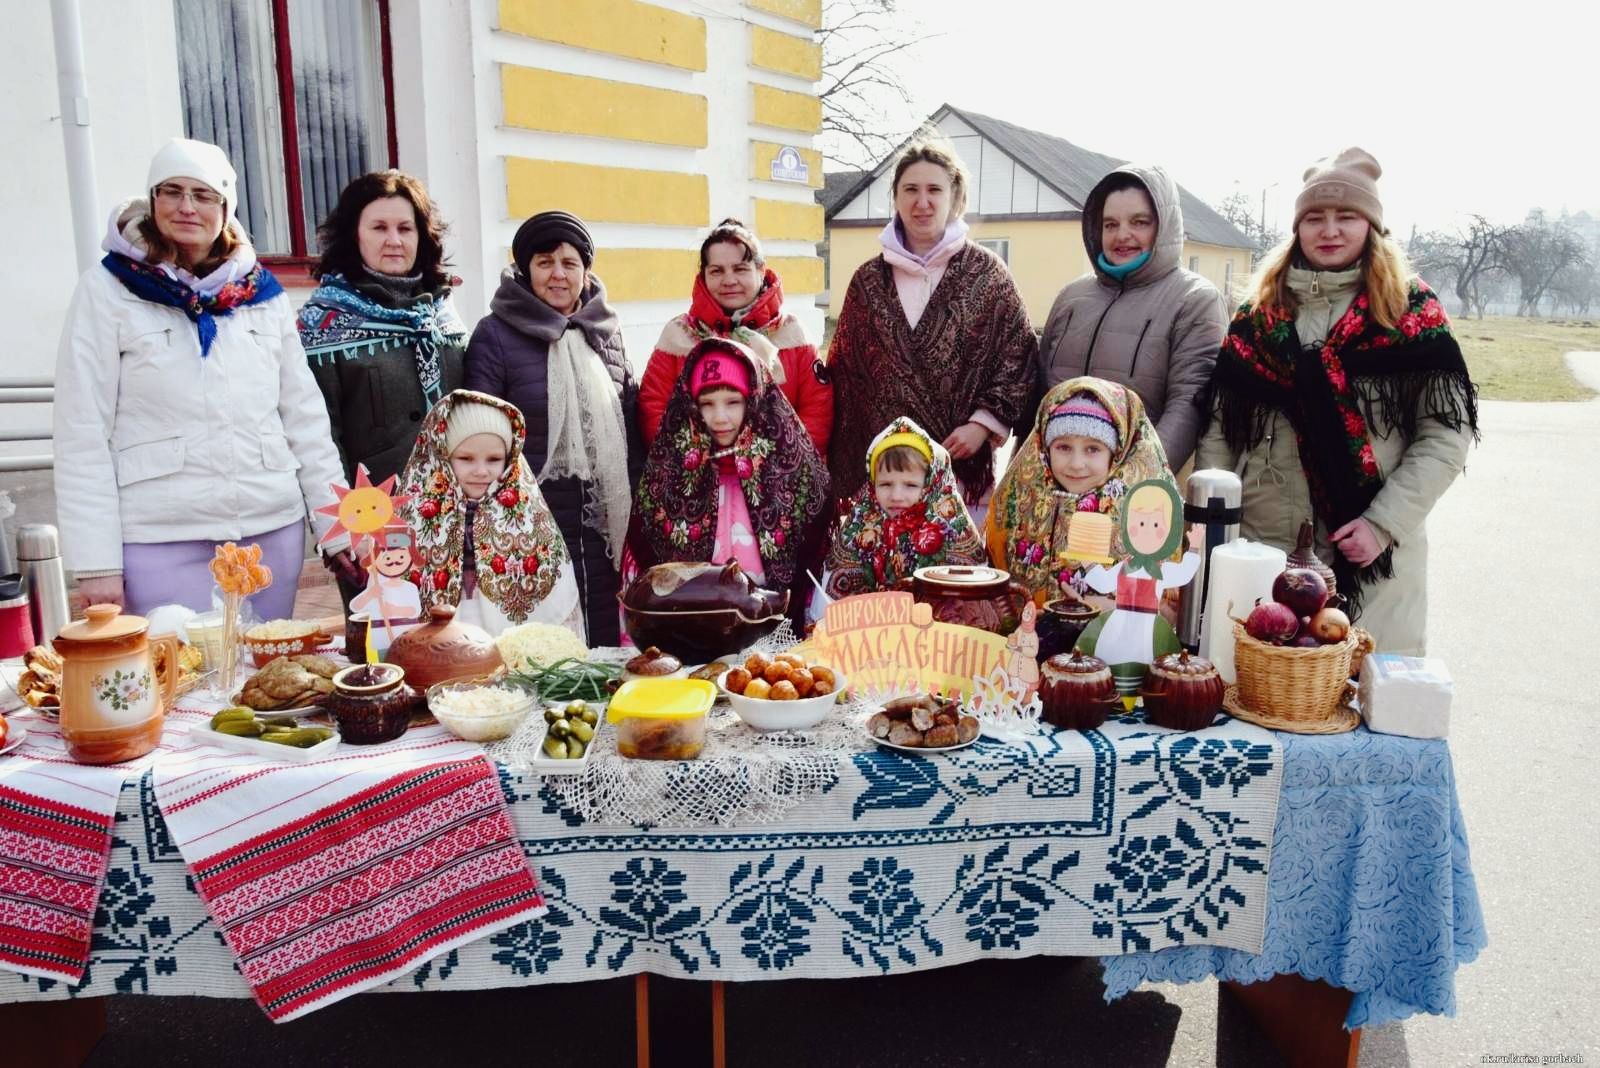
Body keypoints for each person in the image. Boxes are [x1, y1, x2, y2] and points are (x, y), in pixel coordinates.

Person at [1195, 148, 1477, 656]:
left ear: (1371, 225)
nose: (1330, 230)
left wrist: (1383, 524)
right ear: (1297, 228)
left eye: (1346, 216)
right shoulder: (1257, 316)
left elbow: (1445, 436)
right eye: (1315, 218)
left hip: (1372, 556)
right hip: (1264, 551)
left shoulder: (1410, 314)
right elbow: (1220, 429)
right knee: (1265, 695)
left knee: (1368, 702)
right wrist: (1219, 529)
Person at [53, 137, 345, 620]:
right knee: (182, 682)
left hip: (270, 529)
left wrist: (337, 528)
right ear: (152, 201)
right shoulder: (107, 290)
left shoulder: (263, 296)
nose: (187, 207)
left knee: (266, 681)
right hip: (160, 535)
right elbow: (81, 432)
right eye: (172, 191)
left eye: (204, 195)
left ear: (225, 208)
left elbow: (306, 420)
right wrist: (96, 564)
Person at [825, 131, 1038, 517]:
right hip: (886, 479)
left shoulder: (988, 275)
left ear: (955, 196)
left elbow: (1017, 358)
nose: (922, 202)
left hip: (961, 476)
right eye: (910, 189)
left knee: (952, 574)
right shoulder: (867, 282)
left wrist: (982, 425)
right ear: (896, 197)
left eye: (934, 190)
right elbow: (846, 378)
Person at [464, 210, 638, 645]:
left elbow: (631, 425)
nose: (558, 274)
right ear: (525, 269)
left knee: (603, 642)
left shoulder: (607, 333)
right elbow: (476, 438)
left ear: (586, 270)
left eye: (569, 263)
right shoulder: (495, 336)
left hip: (601, 528)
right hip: (531, 525)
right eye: (544, 262)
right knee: (545, 646)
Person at [298, 170, 468, 604]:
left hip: (456, 517)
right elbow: (318, 438)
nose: (394, 240)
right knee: (383, 653)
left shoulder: (444, 315)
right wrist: (339, 531)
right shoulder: (322, 324)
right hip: (373, 526)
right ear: (353, 236)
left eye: (405, 228)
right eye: (379, 227)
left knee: (461, 650)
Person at [1036, 164, 1227, 470]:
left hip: (1139, 497)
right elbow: (1041, 396)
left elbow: (1188, 406)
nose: (1122, 235)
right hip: (1058, 483)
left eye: (1139, 222)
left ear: (1163, 227)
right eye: (1110, 224)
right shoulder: (1072, 296)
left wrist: (1134, 482)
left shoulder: (1194, 299)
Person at [629, 338, 830, 628]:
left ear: (755, 399)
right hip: (692, 638)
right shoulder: (668, 476)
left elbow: (813, 564)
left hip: (776, 642)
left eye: (733, 402)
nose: (720, 417)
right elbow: (646, 573)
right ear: (689, 405)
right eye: (706, 404)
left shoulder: (792, 471)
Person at [396, 390, 581, 638]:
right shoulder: (415, 512)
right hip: (442, 633)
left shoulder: (527, 510)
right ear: (442, 457)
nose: (481, 471)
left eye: (494, 459)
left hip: (508, 633)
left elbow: (552, 575)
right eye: (466, 458)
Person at [639, 219, 832, 453]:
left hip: (781, 477)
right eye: (717, 271)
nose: (729, 280)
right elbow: (654, 407)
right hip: (697, 478)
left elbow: (817, 408)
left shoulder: (792, 333)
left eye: (740, 269)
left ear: (761, 271)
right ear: (704, 275)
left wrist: (782, 463)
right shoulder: (679, 335)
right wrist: (690, 460)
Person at [987, 378, 1175, 607]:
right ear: (1044, 448)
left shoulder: (1146, 513)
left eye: (1093, 449)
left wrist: (1112, 607)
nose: (1077, 464)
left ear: (1117, 452)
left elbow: (1167, 604)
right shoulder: (1016, 500)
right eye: (1063, 447)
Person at [821, 416, 986, 604]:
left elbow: (972, 604)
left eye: (910, 485)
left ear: (931, 485)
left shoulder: (952, 535)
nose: (896, 495)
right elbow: (831, 602)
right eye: (885, 484)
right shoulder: (858, 533)